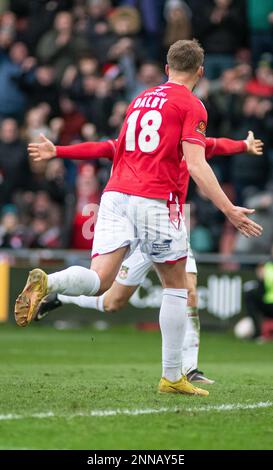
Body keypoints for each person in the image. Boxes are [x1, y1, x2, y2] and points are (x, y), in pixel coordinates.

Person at [15, 39, 262, 397]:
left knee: (101, 282)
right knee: (178, 286)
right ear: (201, 72)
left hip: (115, 196)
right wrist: (229, 210)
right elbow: (197, 162)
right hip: (156, 203)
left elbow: (117, 148)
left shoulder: (140, 99)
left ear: (166, 69)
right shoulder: (192, 106)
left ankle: (51, 283)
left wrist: (60, 151)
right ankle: (174, 375)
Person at [27, 129, 263, 384]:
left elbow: (218, 145)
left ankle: (190, 369)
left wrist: (243, 145)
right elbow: (101, 148)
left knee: (188, 290)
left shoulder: (190, 142)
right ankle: (60, 295)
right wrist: (59, 151)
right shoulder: (140, 144)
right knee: (112, 303)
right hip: (140, 222)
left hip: (170, 223)